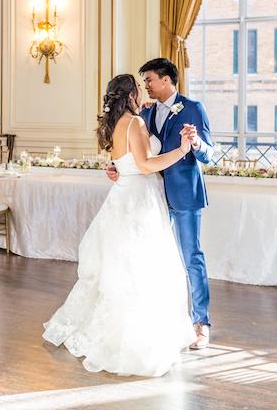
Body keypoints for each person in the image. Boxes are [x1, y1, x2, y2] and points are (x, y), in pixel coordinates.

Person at [42, 73, 196, 377]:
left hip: (122, 195)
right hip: (138, 200)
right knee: (142, 270)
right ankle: (134, 338)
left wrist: (116, 169)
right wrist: (181, 150)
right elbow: (145, 165)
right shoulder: (135, 123)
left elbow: (123, 163)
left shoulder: (116, 123)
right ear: (130, 95)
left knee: (121, 268)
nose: (143, 93)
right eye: (139, 89)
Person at [108, 58, 216, 350]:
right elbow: (137, 151)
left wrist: (195, 145)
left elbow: (211, 155)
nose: (147, 87)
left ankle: (201, 323)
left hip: (183, 196)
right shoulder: (144, 112)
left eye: (150, 81)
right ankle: (164, 322)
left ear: (167, 80)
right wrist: (118, 166)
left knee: (191, 258)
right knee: (155, 261)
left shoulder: (193, 108)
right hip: (152, 197)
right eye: (143, 84)